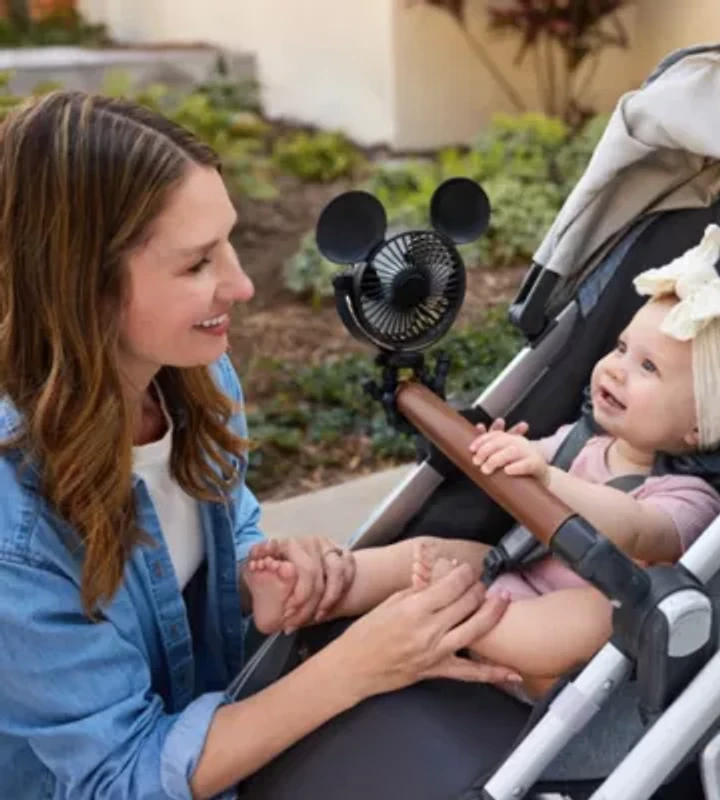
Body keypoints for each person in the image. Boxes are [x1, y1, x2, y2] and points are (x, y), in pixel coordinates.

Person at [0, 91, 522, 800]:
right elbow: (114, 777)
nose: (242, 285)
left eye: (228, 241)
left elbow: (221, 525)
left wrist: (258, 570)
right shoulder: (14, 525)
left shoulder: (191, 372)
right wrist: (356, 667)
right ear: (76, 288)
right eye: (195, 265)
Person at [245, 223, 720, 699]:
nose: (617, 369)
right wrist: (504, 452)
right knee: (428, 550)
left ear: (703, 424)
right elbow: (523, 466)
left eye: (648, 367)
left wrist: (547, 477)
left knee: (600, 614)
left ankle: (451, 619)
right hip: (509, 578)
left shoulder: (690, 499)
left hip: (558, 659)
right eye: (621, 348)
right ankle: (315, 589)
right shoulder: (581, 443)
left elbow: (638, 531)